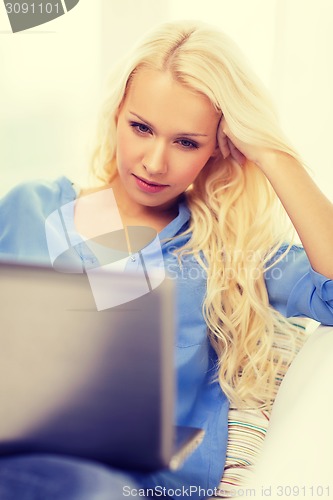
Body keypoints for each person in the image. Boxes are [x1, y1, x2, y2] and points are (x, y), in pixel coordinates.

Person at [0, 19, 333, 500]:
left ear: (219, 149)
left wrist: (271, 153)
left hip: (130, 486)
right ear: (116, 115)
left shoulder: (230, 252)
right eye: (141, 128)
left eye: (186, 142)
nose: (155, 162)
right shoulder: (28, 210)